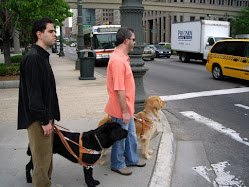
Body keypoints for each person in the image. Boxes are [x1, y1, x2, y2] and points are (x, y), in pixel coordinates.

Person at [18, 17, 61, 187]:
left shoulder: (41, 56)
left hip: (44, 116)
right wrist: (44, 121)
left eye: (54, 31)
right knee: (41, 160)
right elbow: (34, 95)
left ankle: (46, 183)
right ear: (39, 34)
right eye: (50, 31)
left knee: (46, 155)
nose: (54, 35)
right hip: (38, 119)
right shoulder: (34, 58)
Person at [105, 27, 146, 176]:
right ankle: (117, 164)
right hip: (121, 109)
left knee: (130, 137)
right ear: (126, 40)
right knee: (120, 139)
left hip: (127, 108)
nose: (135, 42)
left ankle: (131, 159)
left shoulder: (122, 58)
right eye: (133, 39)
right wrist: (124, 111)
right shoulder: (117, 60)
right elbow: (119, 89)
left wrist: (128, 110)